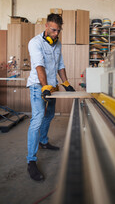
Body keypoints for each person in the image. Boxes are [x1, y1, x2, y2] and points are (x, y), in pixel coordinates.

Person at [26, 13, 75, 181]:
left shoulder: (58, 43)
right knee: (38, 119)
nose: (56, 34)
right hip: (37, 85)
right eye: (53, 30)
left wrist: (66, 83)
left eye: (58, 31)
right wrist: (44, 87)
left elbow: (60, 64)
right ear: (46, 26)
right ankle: (31, 161)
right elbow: (39, 65)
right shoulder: (35, 43)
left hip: (52, 86)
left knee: (50, 115)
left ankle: (44, 141)